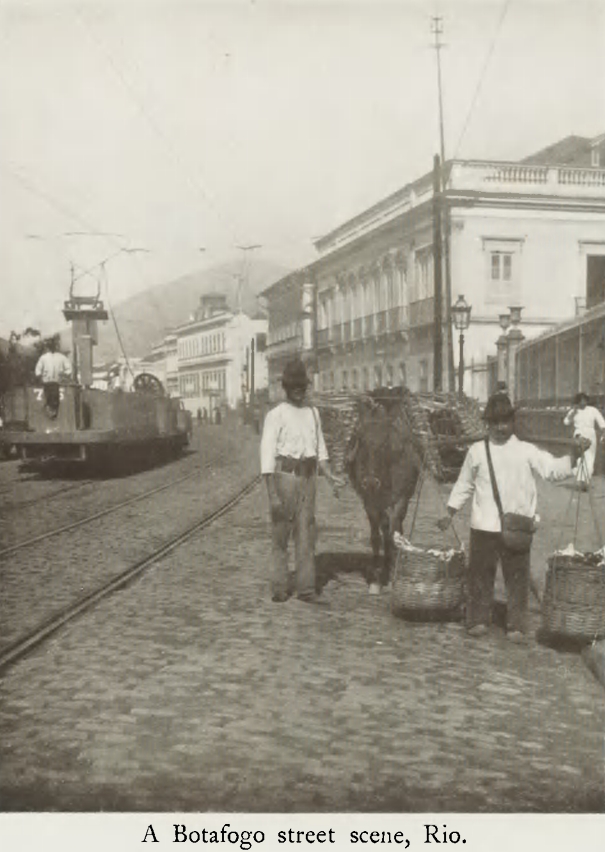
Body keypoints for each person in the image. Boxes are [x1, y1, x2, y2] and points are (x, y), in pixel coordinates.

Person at [437, 392, 584, 643]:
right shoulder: (477, 451)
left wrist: (574, 455)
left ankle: (516, 623)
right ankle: (477, 619)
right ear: (488, 424)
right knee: (480, 575)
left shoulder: (526, 451)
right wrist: (450, 511)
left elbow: (551, 470)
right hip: (484, 524)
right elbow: (464, 484)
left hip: (517, 525)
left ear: (512, 422)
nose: (501, 427)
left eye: (505, 421)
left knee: (517, 577)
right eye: (495, 422)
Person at [260, 358, 345, 605]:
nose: (299, 389)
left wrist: (330, 477)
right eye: (293, 385)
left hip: (309, 481)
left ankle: (306, 588)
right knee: (280, 537)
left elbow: (320, 452)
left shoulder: (313, 414)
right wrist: (272, 495)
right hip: (285, 479)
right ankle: (279, 587)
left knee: (306, 536)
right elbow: (267, 457)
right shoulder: (275, 415)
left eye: (302, 385)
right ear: (286, 387)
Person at [563, 392, 605, 489]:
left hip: (590, 434)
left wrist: (604, 432)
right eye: (581, 401)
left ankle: (585, 481)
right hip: (579, 434)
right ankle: (581, 479)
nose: (583, 403)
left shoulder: (593, 410)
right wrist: (573, 413)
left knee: (590, 457)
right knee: (581, 457)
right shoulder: (574, 411)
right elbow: (566, 422)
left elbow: (602, 423)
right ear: (577, 402)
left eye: (585, 400)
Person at [34, 337, 72, 417]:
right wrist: (40, 377)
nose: (52, 347)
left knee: (55, 400)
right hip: (46, 383)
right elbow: (38, 370)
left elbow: (69, 369)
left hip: (57, 383)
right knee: (48, 398)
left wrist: (63, 375)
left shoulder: (61, 357)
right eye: (50, 345)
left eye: (54, 345)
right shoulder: (44, 357)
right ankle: (48, 411)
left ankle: (53, 413)